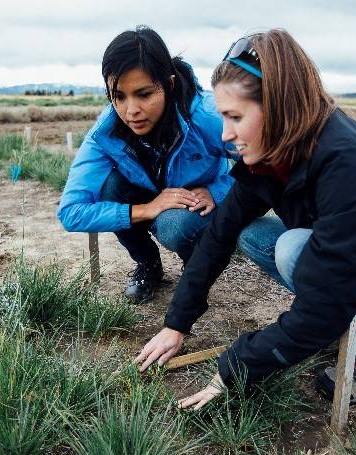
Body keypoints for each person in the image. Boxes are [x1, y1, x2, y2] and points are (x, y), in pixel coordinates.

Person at [134, 29, 356, 409]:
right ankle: (352, 327)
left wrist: (238, 365)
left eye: (235, 116)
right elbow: (219, 236)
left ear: (277, 106)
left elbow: (331, 293)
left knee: (297, 250)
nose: (226, 135)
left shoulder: (349, 163)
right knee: (254, 234)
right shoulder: (273, 153)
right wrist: (177, 324)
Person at [57, 26, 233, 304]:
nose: (131, 111)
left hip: (197, 200)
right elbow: (71, 213)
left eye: (144, 94)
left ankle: (197, 264)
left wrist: (218, 189)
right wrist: (146, 209)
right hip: (151, 195)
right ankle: (148, 265)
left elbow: (267, 161)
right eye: (119, 96)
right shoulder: (105, 133)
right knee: (110, 187)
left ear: (170, 84)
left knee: (173, 226)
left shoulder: (209, 116)